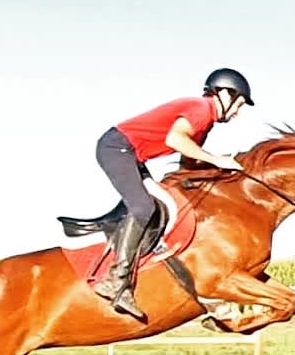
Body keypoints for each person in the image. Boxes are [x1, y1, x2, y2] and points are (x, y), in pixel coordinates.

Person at [92, 67, 253, 321]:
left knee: (163, 205)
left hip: (130, 155)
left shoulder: (205, 123)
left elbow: (188, 163)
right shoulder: (201, 109)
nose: (238, 113)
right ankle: (116, 281)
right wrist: (216, 159)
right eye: (239, 104)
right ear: (224, 94)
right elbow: (175, 139)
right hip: (117, 148)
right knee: (144, 208)